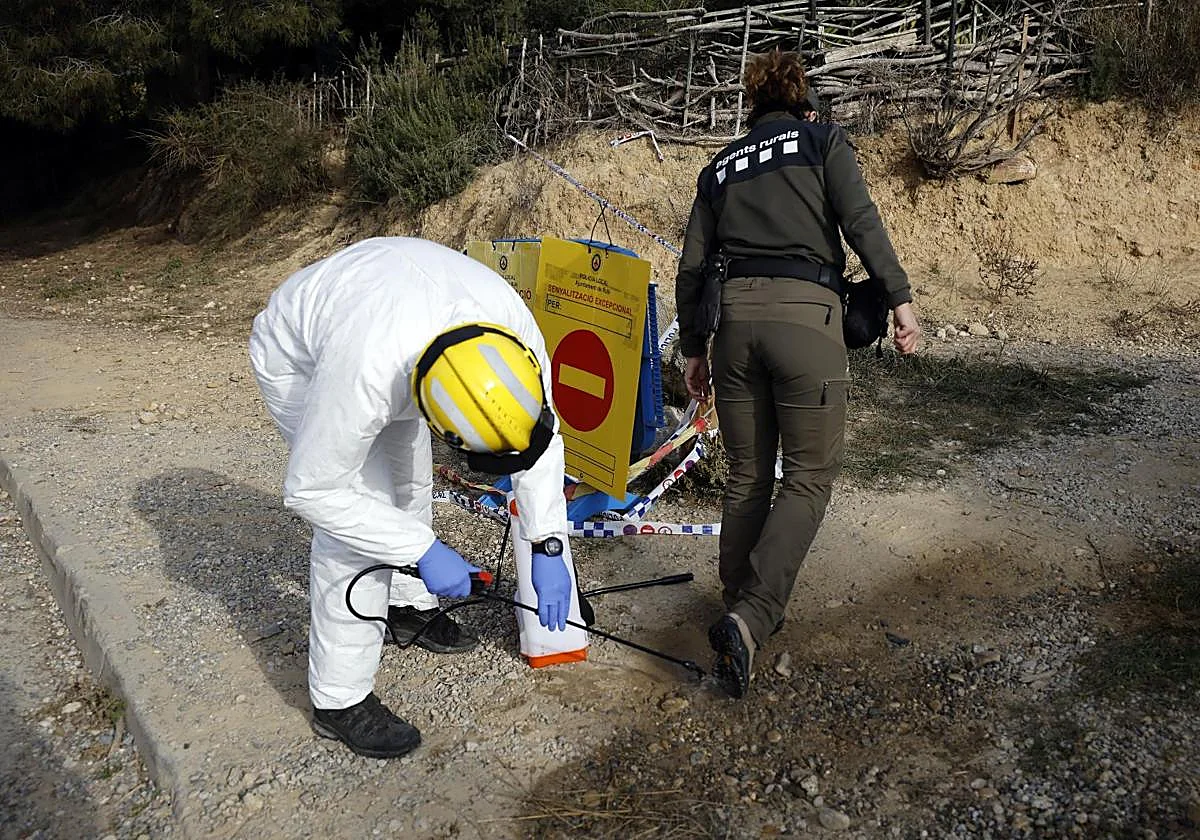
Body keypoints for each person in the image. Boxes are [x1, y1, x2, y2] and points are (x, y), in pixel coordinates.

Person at [249, 236, 574, 758]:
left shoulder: (516, 342)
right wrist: (421, 550)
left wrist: (547, 545)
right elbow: (314, 489)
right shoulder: (364, 371)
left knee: (412, 481)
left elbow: (539, 442)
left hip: (396, 321)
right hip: (303, 360)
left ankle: (405, 605)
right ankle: (339, 698)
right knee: (363, 513)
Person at [673, 49, 921, 699]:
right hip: (806, 322)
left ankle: (737, 604)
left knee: (747, 476)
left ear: (753, 108)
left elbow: (692, 267)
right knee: (808, 477)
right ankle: (751, 617)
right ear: (802, 103)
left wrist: (693, 348)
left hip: (733, 331)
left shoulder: (718, 168)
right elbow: (860, 222)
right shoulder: (822, 141)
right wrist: (899, 300)